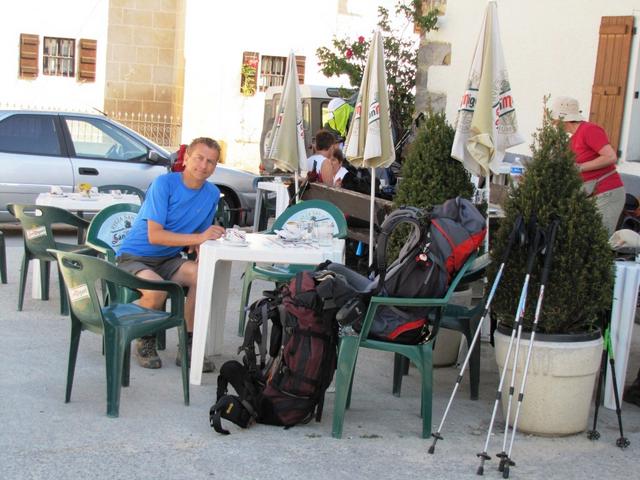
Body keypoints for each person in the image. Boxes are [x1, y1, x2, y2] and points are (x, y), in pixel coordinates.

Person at [116, 137, 225, 372]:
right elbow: (155, 236)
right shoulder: (163, 184)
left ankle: (187, 346)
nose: (203, 165)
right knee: (157, 292)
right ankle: (143, 337)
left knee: (202, 275)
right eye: (199, 158)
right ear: (186, 158)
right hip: (135, 256)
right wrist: (199, 238)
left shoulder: (212, 194)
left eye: (211, 162)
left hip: (168, 259)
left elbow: (197, 236)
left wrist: (204, 243)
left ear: (215, 167)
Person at [551, 96, 625, 236]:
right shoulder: (573, 138)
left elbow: (610, 157)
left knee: (597, 239)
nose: (554, 123)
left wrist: (579, 167)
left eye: (555, 119)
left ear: (564, 118)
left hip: (606, 193)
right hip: (590, 194)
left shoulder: (589, 130)